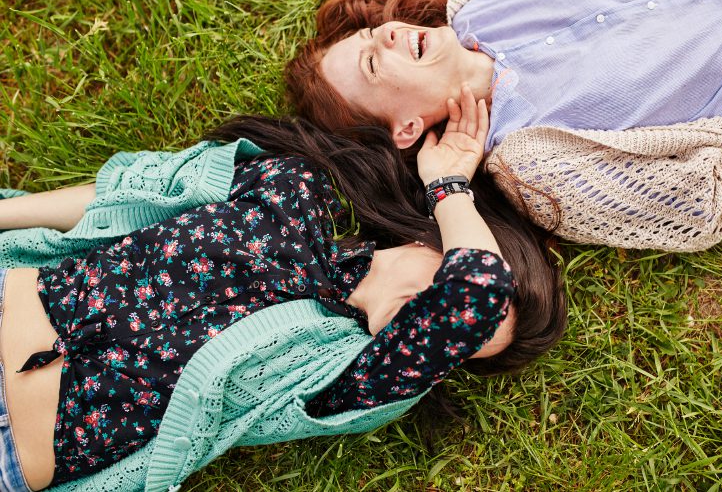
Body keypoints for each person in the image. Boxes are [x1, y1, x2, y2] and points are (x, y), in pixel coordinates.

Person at [0, 98, 565, 491]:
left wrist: (450, 188)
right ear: (441, 240)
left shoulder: (342, 376)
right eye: (447, 291)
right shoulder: (294, 190)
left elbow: (476, 292)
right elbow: (124, 198)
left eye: (459, 345)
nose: (442, 323)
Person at [286, 0, 722, 252]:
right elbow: (711, 198)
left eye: (368, 35)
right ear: (406, 129)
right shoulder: (530, 163)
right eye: (371, 63)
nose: (385, 34)